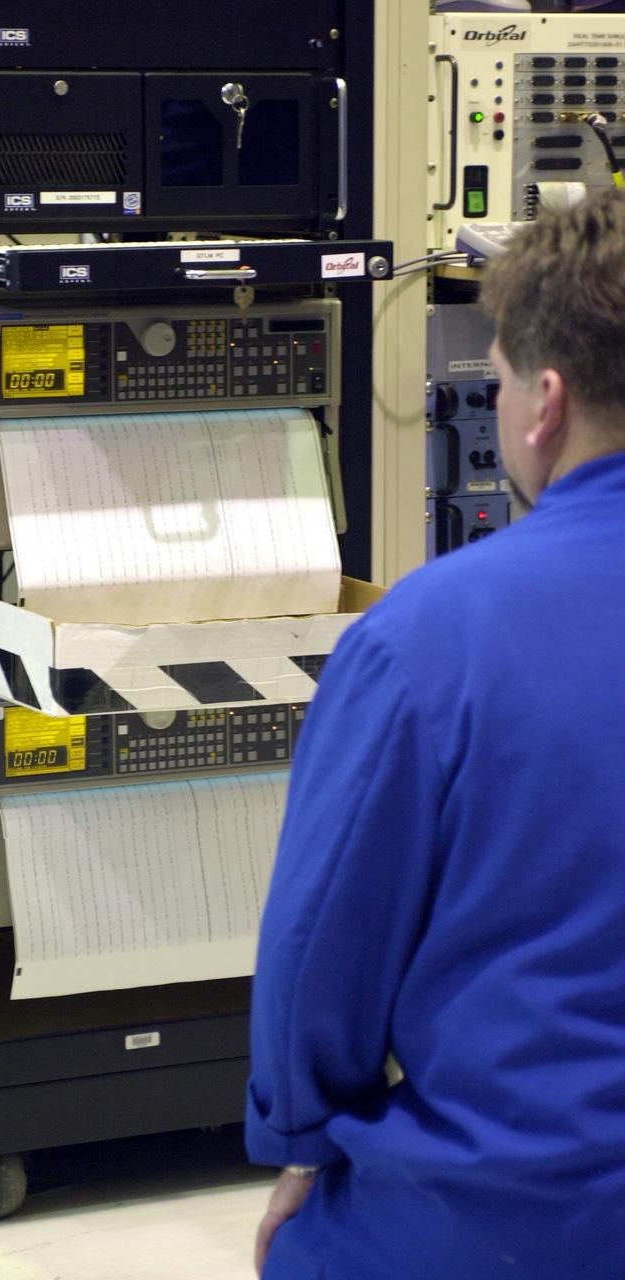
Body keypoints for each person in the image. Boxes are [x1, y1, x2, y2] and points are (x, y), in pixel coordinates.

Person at [245, 187, 625, 1279]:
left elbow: (319, 952)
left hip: (522, 1215)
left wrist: (299, 1145)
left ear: (541, 402)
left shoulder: (422, 640)